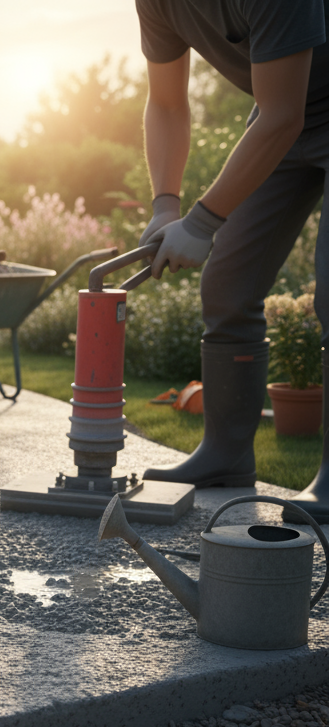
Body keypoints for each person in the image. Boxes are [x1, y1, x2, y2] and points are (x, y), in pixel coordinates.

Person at [134, 0, 328, 489]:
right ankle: (226, 456)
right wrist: (165, 205)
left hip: (286, 115)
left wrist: (201, 224)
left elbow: (283, 115)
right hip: (284, 119)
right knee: (226, 285)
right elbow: (166, 103)